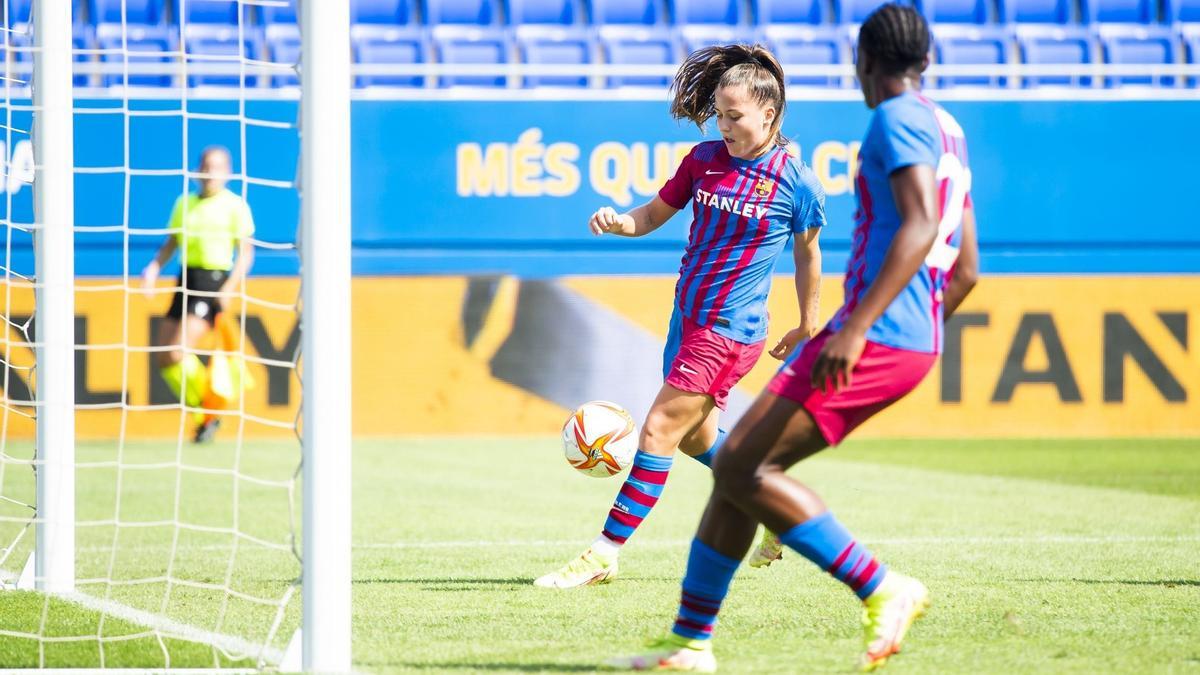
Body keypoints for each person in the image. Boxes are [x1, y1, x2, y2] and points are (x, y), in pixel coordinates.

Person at [609, 4, 980, 671]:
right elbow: (967, 269)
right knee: (735, 465)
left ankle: (882, 586)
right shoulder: (947, 127)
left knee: (746, 465)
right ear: (925, 60)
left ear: (865, 62)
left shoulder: (894, 120)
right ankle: (690, 641)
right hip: (907, 332)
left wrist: (861, 328)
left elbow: (919, 225)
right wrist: (919, 332)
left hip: (872, 332)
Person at [534, 44, 827, 590]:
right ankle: (775, 506)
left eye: (734, 115)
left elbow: (808, 255)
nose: (724, 124)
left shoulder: (797, 181)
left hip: (730, 331)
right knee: (696, 440)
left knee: (660, 428)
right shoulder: (703, 160)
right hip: (687, 320)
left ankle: (603, 552)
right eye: (719, 114)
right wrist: (619, 221)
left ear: (769, 112)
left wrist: (809, 324)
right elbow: (651, 214)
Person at [142, 146, 255, 444]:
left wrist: (229, 288)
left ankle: (209, 408)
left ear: (228, 172)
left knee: (179, 350)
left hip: (212, 281)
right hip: (185, 279)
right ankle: (205, 410)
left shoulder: (234, 205)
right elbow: (172, 243)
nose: (210, 173)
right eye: (206, 166)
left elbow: (245, 253)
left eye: (217, 167)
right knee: (164, 357)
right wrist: (154, 267)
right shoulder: (185, 203)